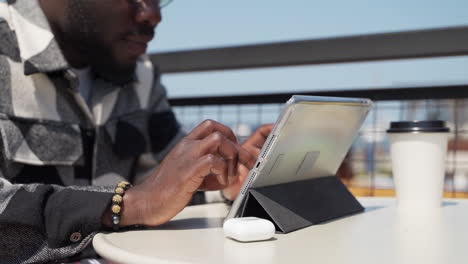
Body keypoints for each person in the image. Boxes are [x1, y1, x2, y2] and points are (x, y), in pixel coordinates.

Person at [0, 0, 273, 262]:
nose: (153, 14)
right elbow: (145, 199)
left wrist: (224, 177)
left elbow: (163, 184)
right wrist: (131, 204)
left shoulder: (140, 72)